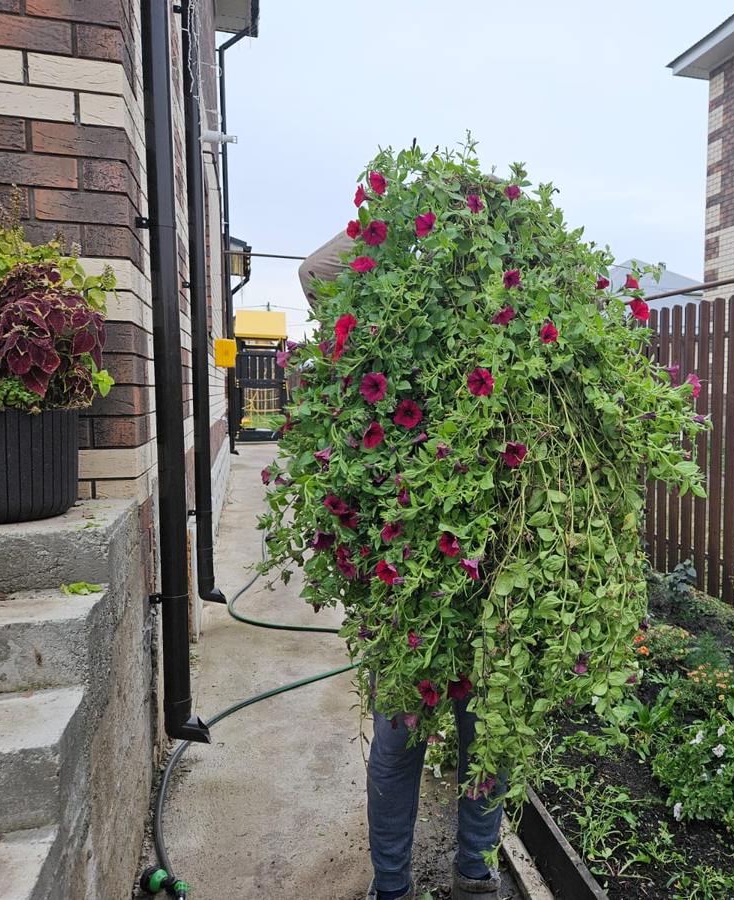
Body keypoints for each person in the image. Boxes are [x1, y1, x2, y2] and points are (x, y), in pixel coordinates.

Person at [298, 237, 504, 900]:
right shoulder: (391, 338)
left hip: (493, 585)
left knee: (484, 741)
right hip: (407, 590)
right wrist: (408, 221)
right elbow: (316, 271)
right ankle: (392, 885)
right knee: (397, 745)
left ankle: (474, 873)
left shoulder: (505, 338)